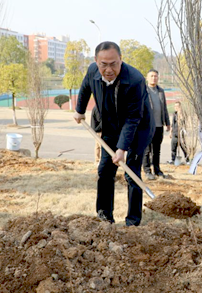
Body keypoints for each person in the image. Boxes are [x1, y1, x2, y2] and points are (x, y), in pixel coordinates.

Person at [73, 41, 154, 226]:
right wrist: (80, 110)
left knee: (131, 173)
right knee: (105, 170)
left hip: (138, 130)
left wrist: (122, 148)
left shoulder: (135, 80)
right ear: (96, 61)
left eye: (113, 63)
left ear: (121, 60)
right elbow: (85, 88)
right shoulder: (93, 71)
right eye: (104, 64)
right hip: (110, 127)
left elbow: (133, 118)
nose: (108, 69)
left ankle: (132, 220)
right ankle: (104, 215)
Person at [143, 69, 170, 180]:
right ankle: (147, 171)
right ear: (147, 78)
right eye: (152, 76)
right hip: (147, 126)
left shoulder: (160, 91)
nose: (154, 78)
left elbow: (164, 108)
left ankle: (157, 170)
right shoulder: (144, 90)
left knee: (157, 150)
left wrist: (167, 123)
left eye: (156, 76)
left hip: (159, 126)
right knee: (147, 150)